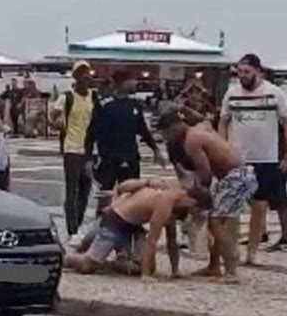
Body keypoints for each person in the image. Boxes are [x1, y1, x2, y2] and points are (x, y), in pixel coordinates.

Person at [159, 111, 257, 282]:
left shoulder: (191, 141)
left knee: (215, 222)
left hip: (235, 176)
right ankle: (214, 266)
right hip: (239, 174)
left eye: (167, 134)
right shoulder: (200, 128)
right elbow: (206, 121)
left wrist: (191, 186)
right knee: (217, 220)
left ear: (174, 127)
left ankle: (231, 271)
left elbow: (206, 174)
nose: (168, 139)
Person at [219, 54, 287, 266]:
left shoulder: (275, 93)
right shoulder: (232, 94)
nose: (242, 76)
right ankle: (229, 250)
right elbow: (223, 121)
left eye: (246, 72)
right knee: (232, 204)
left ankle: (252, 252)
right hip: (238, 159)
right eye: (239, 72)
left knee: (260, 206)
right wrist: (223, 148)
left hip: (266, 158)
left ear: (257, 71)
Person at [64, 177, 210, 278]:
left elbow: (172, 240)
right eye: (197, 212)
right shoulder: (165, 201)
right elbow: (152, 240)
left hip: (132, 225)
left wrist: (175, 271)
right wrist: (145, 276)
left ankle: (116, 259)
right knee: (87, 266)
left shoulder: (176, 203)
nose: (195, 217)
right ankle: (62, 259)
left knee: (145, 266)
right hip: (116, 221)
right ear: (192, 203)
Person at [85, 69, 166, 196]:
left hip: (130, 157)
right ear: (123, 83)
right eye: (132, 80)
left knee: (131, 194)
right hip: (108, 158)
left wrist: (155, 149)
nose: (135, 83)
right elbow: (91, 132)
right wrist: (89, 158)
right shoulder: (104, 105)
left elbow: (142, 129)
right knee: (105, 193)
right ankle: (102, 214)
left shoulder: (134, 105)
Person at [50, 61, 97, 242]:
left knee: (86, 189)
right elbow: (53, 116)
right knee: (72, 190)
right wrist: (58, 125)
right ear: (76, 77)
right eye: (82, 75)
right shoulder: (67, 97)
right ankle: (72, 230)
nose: (86, 78)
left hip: (89, 150)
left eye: (88, 75)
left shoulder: (93, 97)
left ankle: (78, 224)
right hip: (72, 148)